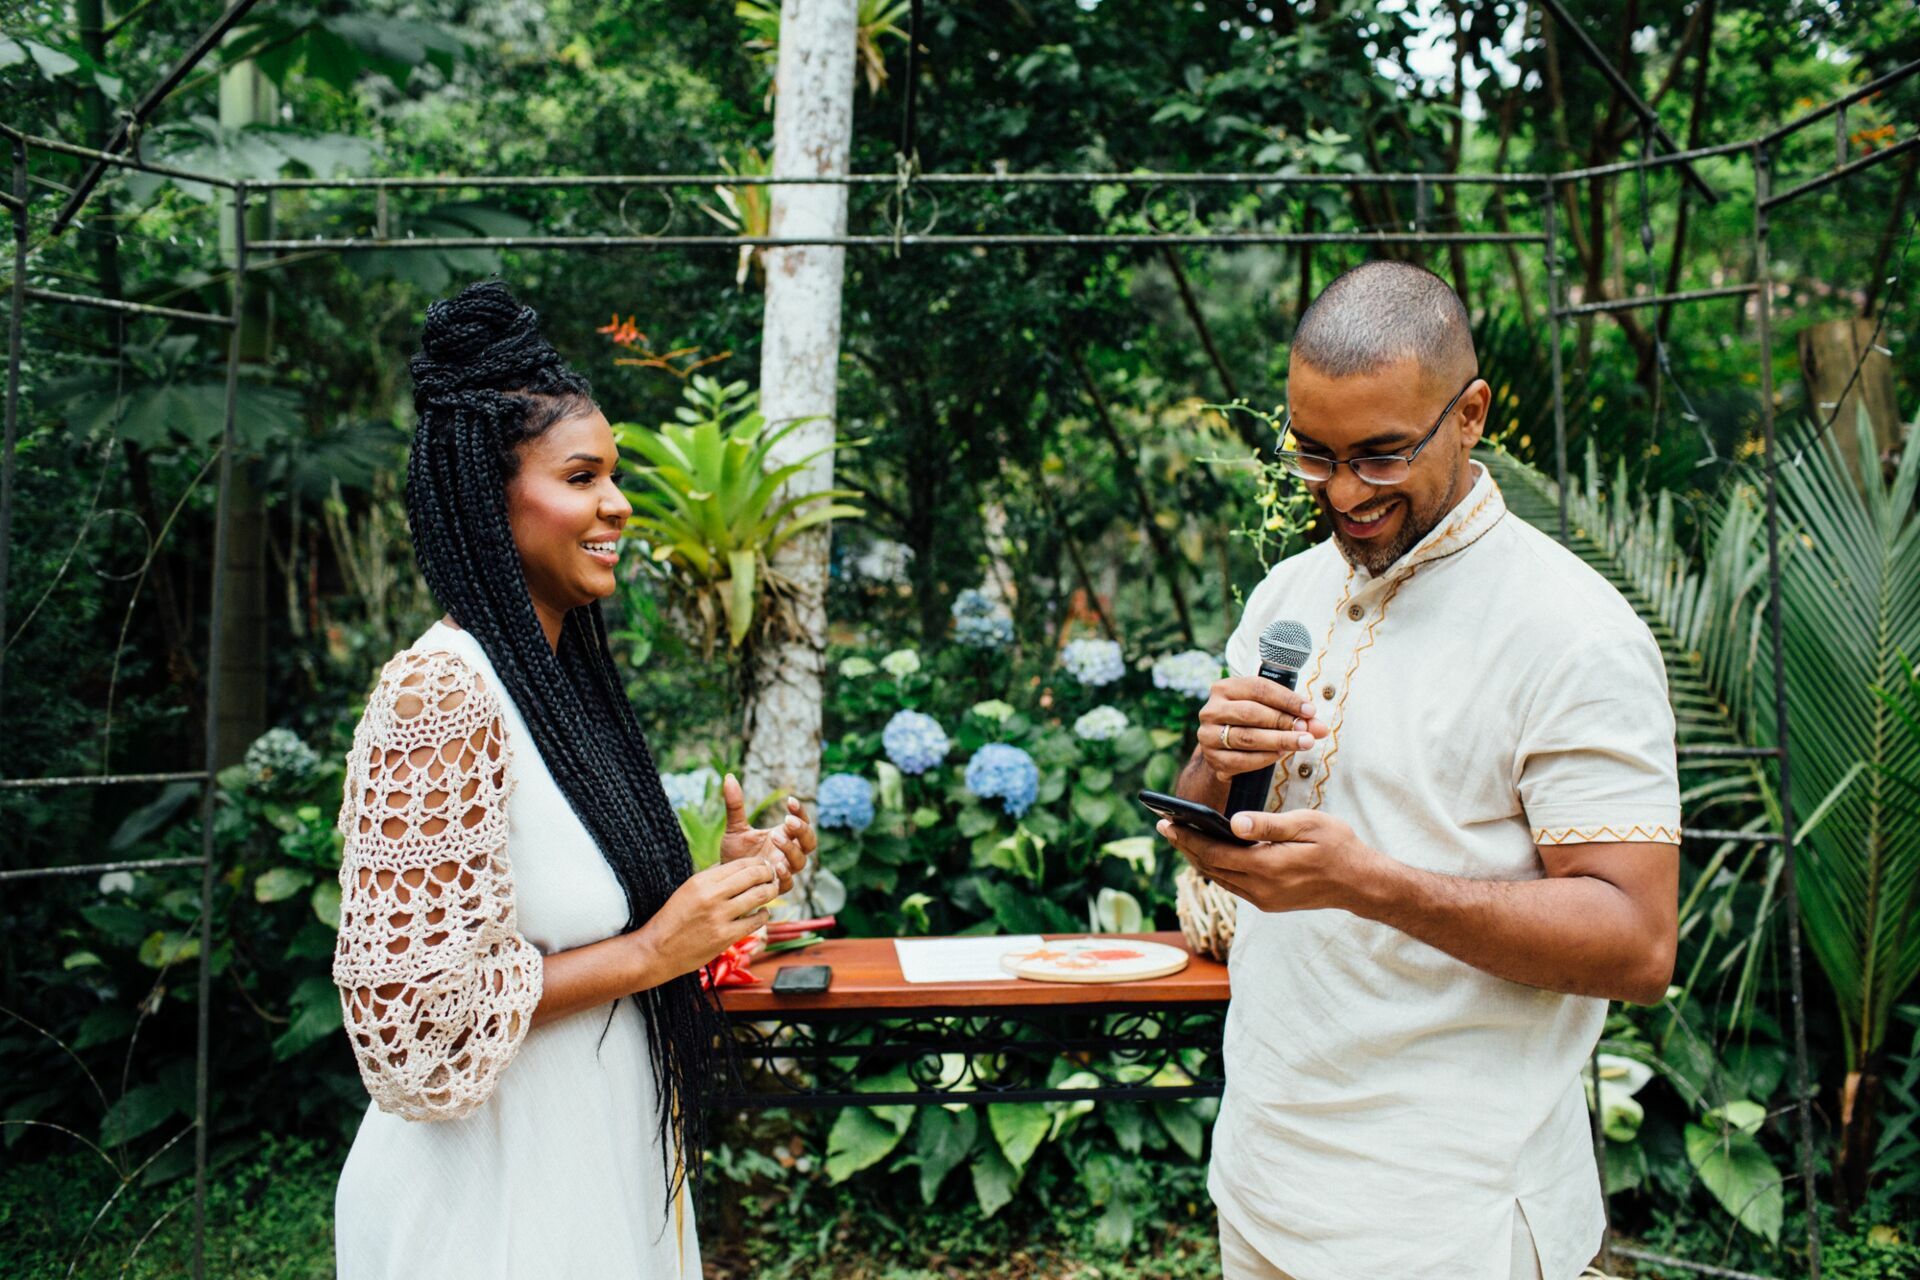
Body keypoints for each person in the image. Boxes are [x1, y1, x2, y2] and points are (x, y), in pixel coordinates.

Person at [1157, 261, 1680, 1280]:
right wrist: (1212, 763)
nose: (1346, 492)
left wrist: (1370, 882)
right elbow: (1201, 820)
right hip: (1263, 1180)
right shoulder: (1287, 594)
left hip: (1450, 1220)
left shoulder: (1572, 632)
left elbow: (1637, 940)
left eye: (1381, 455)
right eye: (1315, 454)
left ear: (1471, 413)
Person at [329, 280, 816, 1278]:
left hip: (597, 1174)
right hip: (491, 1211)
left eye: (616, 474)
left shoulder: (556, 687)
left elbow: (595, 930)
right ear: (488, 494)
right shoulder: (440, 693)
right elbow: (409, 1027)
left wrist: (719, 893)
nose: (618, 504)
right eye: (584, 475)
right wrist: (650, 948)